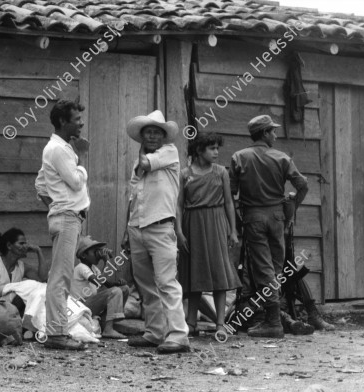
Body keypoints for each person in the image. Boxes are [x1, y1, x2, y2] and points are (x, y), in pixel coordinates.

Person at [229, 115, 308, 338]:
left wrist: (236, 218)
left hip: (253, 217)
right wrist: (293, 205)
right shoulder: (282, 157)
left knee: (263, 269)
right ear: (264, 133)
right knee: (274, 268)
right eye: (272, 131)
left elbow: (230, 193)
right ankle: (273, 319)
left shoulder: (239, 157)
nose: (275, 135)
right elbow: (303, 185)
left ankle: (273, 321)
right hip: (277, 217)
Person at [121, 110, 190, 354]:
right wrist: (126, 232)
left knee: (166, 282)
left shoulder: (169, 153)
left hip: (161, 227)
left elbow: (145, 163)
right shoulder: (136, 165)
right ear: (142, 137)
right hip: (137, 227)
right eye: (147, 132)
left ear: (163, 137)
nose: (151, 136)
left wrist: (142, 151)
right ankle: (154, 332)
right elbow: (133, 199)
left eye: (155, 132)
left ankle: (178, 335)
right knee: (145, 284)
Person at [34, 99, 90, 350]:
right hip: (68, 217)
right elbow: (77, 182)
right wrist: (81, 163)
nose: (81, 123)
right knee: (61, 277)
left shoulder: (57, 148)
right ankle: (56, 334)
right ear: (62, 122)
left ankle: (57, 331)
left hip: (64, 216)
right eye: (76, 119)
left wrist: (54, 205)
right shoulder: (59, 149)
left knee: (60, 275)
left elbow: (40, 185)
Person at [176, 132, 241, 339]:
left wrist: (232, 230)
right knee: (194, 272)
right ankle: (191, 322)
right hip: (192, 224)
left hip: (216, 222)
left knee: (218, 273)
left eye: (217, 148)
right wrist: (179, 231)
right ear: (199, 150)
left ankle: (220, 323)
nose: (216, 152)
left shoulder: (221, 172)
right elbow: (178, 205)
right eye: (211, 148)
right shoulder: (185, 174)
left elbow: (229, 202)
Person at [0, 228, 49, 314]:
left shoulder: (22, 267)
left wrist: (38, 251)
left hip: (10, 313)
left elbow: (43, 279)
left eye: (25, 243)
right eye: (21, 243)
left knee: (39, 288)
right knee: (25, 291)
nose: (26, 246)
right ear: (9, 246)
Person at [71, 236, 129, 339]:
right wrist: (106, 261)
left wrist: (118, 283)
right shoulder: (81, 268)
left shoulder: (93, 268)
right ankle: (108, 330)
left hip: (90, 305)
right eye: (95, 252)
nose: (98, 255)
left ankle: (105, 322)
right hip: (81, 306)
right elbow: (99, 281)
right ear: (84, 255)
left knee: (124, 289)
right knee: (114, 292)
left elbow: (107, 284)